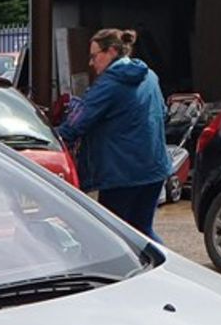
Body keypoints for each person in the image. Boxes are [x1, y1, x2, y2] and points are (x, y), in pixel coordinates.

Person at [57, 28, 170, 239]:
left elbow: (77, 124)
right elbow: (162, 114)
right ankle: (164, 268)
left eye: (94, 56)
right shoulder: (150, 76)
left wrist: (51, 140)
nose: (91, 63)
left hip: (122, 175)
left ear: (111, 51)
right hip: (154, 170)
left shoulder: (110, 84)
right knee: (142, 231)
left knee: (111, 237)